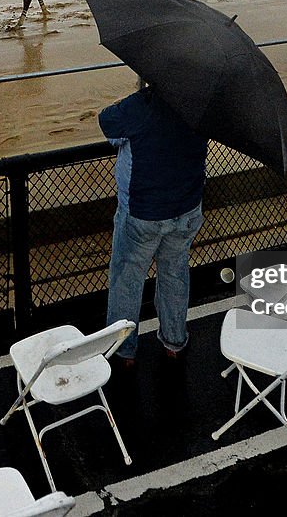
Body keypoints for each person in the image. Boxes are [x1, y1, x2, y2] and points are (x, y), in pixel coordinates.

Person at [100, 85, 208, 365]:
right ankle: (174, 340)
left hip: (143, 213)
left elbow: (107, 122)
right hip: (186, 209)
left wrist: (135, 96)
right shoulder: (201, 103)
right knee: (174, 273)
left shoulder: (142, 105)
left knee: (127, 279)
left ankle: (123, 350)